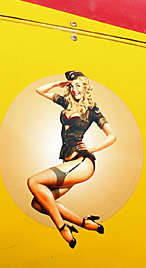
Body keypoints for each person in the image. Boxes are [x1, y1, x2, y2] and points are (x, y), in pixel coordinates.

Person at [26, 71, 116, 248]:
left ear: (85, 88)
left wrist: (92, 148)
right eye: (72, 86)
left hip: (82, 162)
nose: (75, 90)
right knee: (38, 203)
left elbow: (112, 136)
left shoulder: (92, 110)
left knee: (34, 182)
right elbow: (40, 90)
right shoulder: (66, 103)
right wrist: (59, 84)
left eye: (79, 86)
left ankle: (62, 228)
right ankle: (84, 223)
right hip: (69, 163)